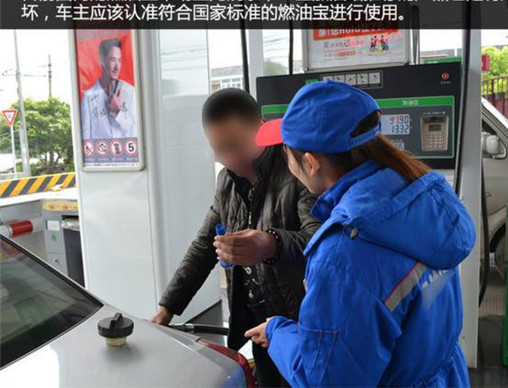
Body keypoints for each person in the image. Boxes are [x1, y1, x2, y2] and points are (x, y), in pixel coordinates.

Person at [245, 81, 475, 387]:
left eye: (286, 151)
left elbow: (326, 380)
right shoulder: (422, 199)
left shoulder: (342, 255)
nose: (286, 161)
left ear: (311, 163)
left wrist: (278, 333)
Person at [150, 88, 320, 387]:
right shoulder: (226, 181)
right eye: (219, 149)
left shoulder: (296, 171)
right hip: (256, 323)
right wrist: (167, 308)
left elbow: (320, 241)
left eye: (236, 145)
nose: (229, 158)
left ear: (261, 127)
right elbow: (204, 246)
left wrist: (271, 243)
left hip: (298, 322)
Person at [80, 38, 137, 140]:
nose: (117, 67)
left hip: (127, 150)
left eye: (119, 60)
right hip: (101, 150)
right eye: (113, 60)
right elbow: (86, 139)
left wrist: (118, 112)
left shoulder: (130, 92)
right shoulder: (89, 97)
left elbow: (136, 131)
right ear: (102, 61)